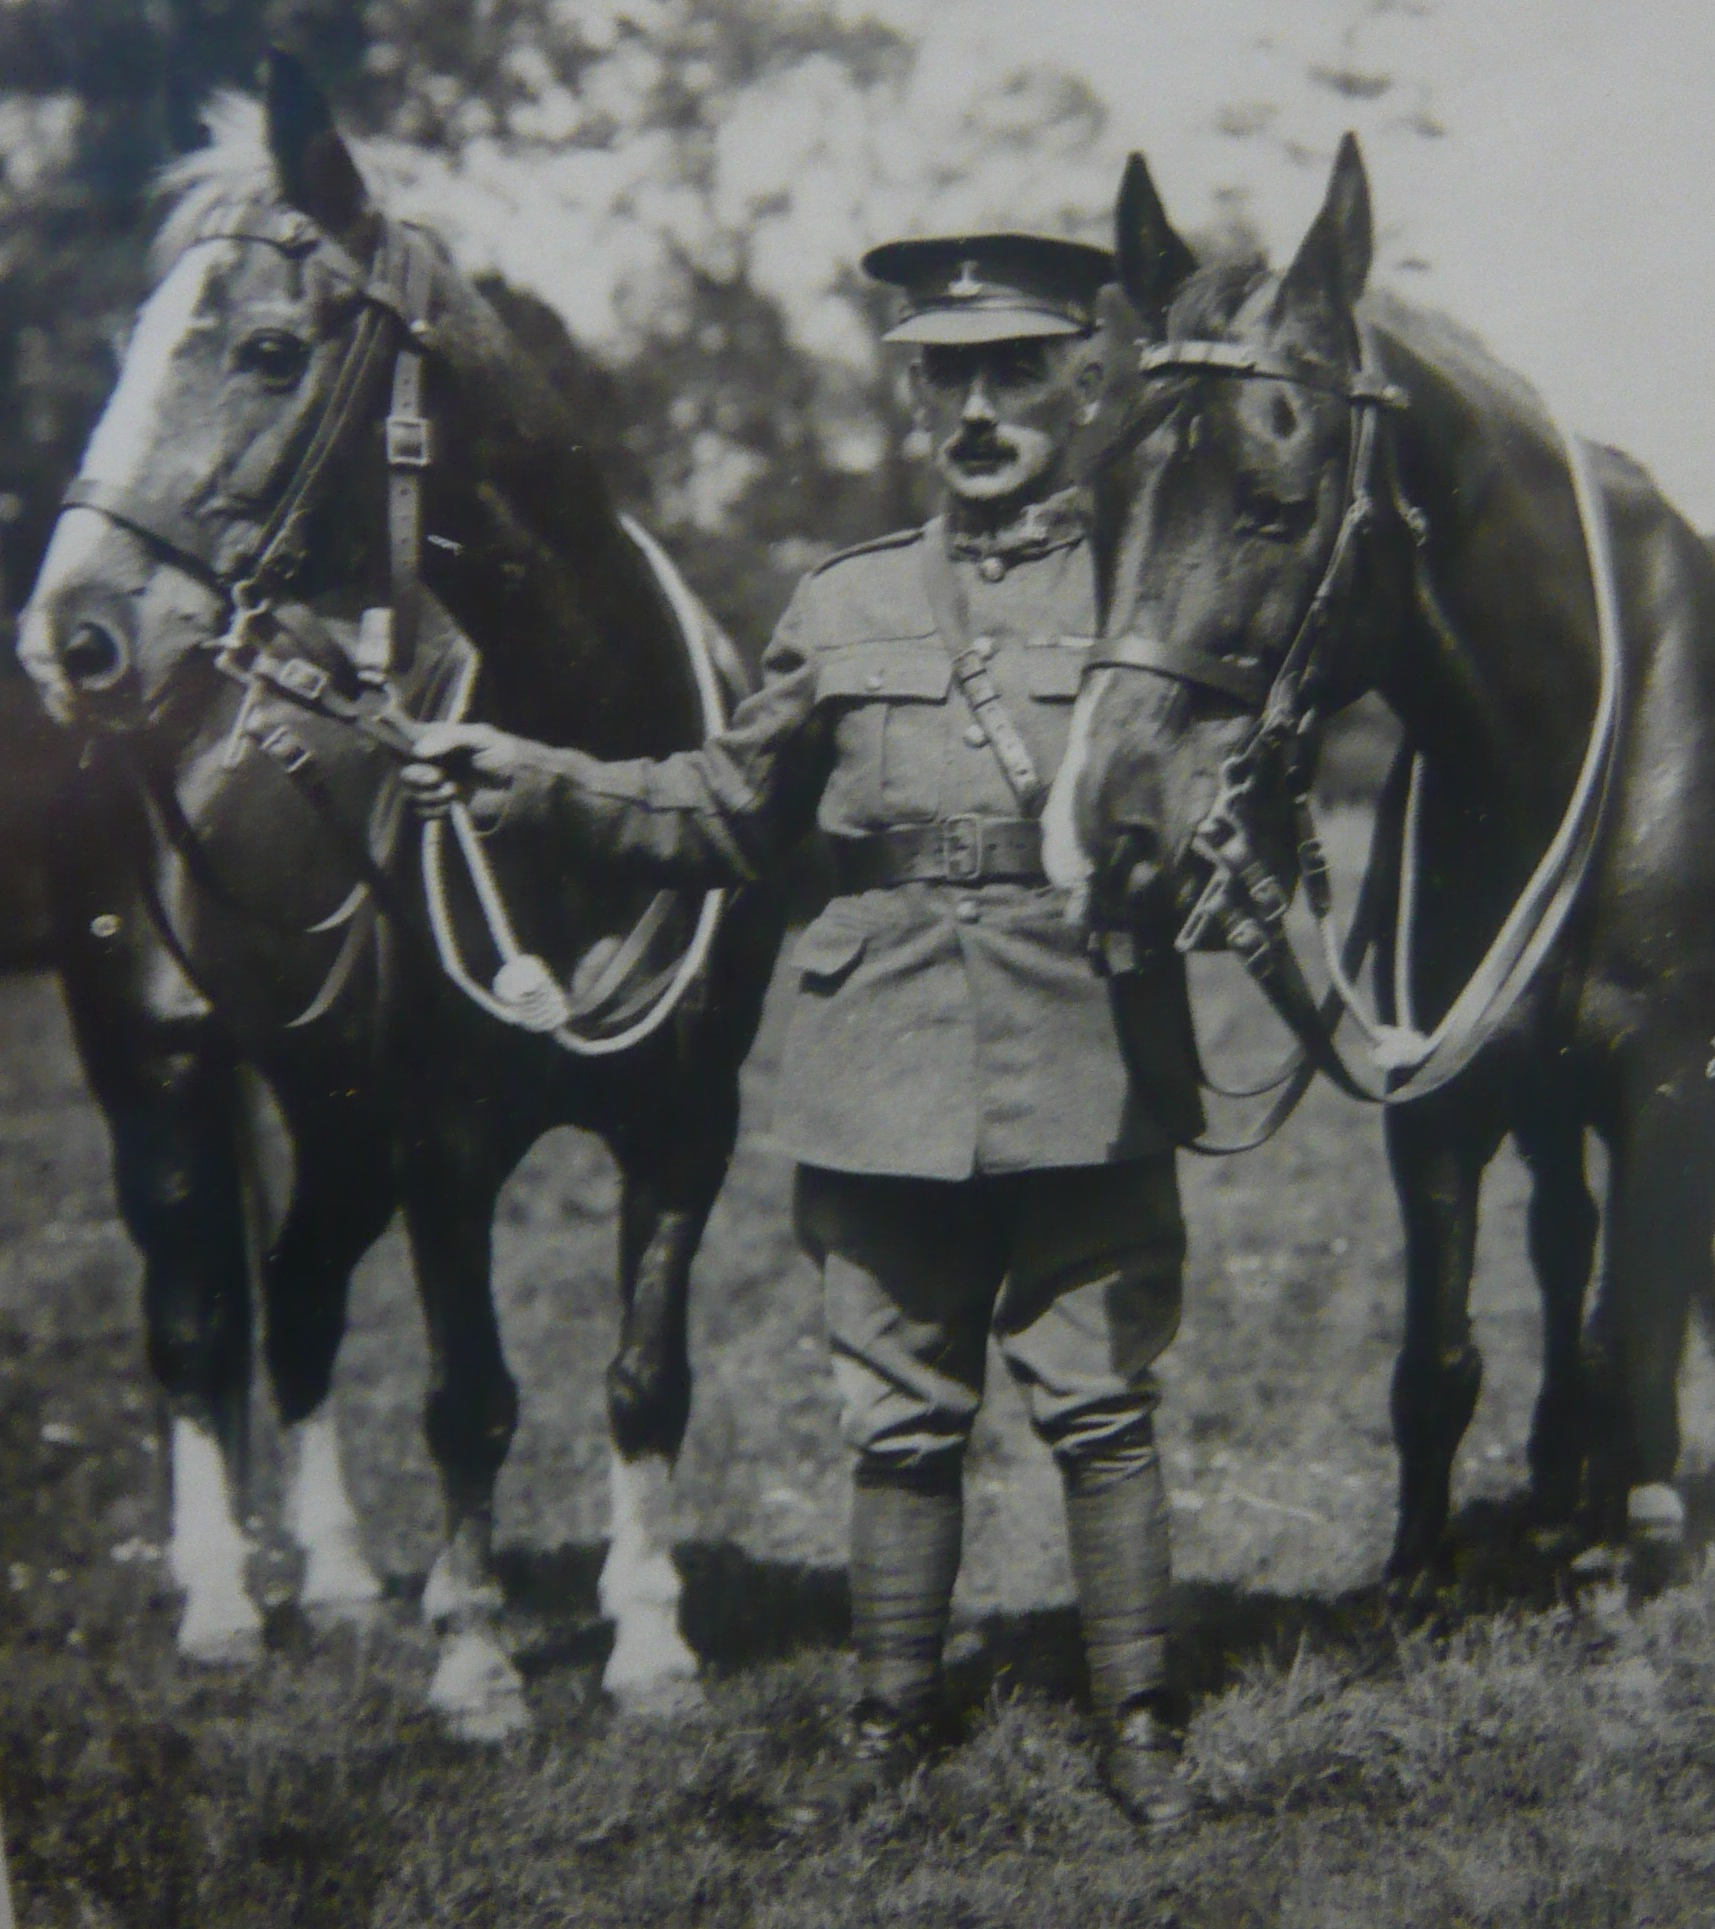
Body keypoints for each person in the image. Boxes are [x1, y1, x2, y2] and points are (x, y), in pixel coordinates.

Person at [402, 231, 1201, 1831]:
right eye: (946, 377)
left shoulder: (1145, 594)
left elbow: (1205, 798)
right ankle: (892, 1724)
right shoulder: (842, 602)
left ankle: (1141, 1721)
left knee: (1101, 1408)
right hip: (884, 1056)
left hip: (1082, 1039)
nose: (978, 411)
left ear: (1082, 386)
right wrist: (533, 779)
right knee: (897, 1417)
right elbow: (720, 807)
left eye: (1014, 373)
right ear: (913, 399)